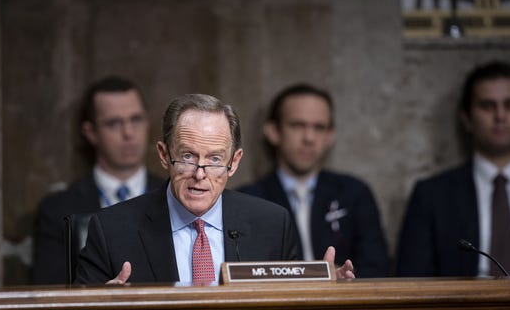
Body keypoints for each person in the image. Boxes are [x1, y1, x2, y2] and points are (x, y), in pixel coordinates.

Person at [75, 94, 355, 284]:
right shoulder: (111, 231)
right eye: (187, 157)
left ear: (234, 163)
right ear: (163, 155)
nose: (200, 174)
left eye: (215, 160)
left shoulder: (271, 224)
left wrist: (324, 295)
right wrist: (107, 305)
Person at [397, 60, 510, 277]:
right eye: (488, 106)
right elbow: (411, 282)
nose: (500, 116)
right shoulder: (431, 196)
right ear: (466, 118)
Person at [237, 84, 390, 278]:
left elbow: (377, 268)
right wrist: (313, 276)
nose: (309, 137)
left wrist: (345, 280)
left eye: (319, 127)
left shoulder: (355, 193)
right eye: (297, 125)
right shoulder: (247, 200)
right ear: (273, 131)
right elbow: (244, 273)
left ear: (330, 136)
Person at [33, 76, 164, 284]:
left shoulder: (175, 196)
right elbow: (49, 295)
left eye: (136, 119)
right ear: (91, 132)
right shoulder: (57, 210)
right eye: (114, 123)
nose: (128, 133)